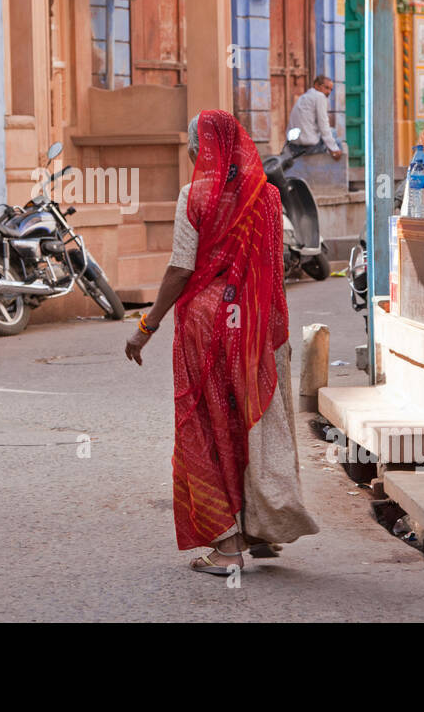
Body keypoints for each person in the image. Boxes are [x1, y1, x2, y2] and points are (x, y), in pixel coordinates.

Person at [125, 110, 319, 576]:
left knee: (208, 427)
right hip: (253, 327)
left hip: (207, 327)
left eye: (194, 145)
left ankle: (229, 547)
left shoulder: (194, 195)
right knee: (252, 422)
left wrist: (147, 326)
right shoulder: (268, 198)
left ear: (203, 148)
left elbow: (181, 268)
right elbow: (276, 271)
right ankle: (261, 523)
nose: (192, 152)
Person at [286, 74, 343, 160]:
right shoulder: (320, 96)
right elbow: (323, 126)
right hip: (307, 148)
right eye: (326, 88)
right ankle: (335, 171)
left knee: (332, 132)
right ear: (316, 85)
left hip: (293, 147)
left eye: (331, 90)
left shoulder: (304, 97)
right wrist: (334, 149)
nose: (328, 92)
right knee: (337, 141)